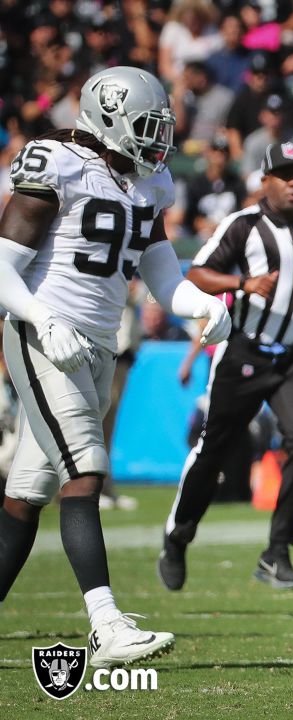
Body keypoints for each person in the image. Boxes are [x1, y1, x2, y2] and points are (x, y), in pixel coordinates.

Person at [0, 66, 230, 667]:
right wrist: (42, 318)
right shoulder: (57, 163)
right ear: (107, 117)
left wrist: (203, 305)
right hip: (44, 336)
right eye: (147, 127)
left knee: (27, 495)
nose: (158, 141)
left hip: (98, 346)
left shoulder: (147, 186)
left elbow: (163, 280)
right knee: (86, 470)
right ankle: (106, 625)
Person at [159, 141, 293, 593]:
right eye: (284, 175)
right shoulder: (243, 226)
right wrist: (243, 283)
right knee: (214, 446)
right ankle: (178, 534)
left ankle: (278, 551)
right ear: (265, 180)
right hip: (247, 351)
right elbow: (196, 273)